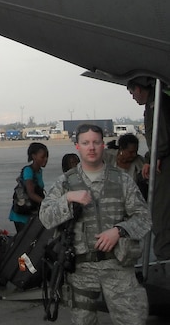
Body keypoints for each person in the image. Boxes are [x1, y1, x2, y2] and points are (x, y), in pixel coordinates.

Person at [39, 123, 151, 324]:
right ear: (77, 147)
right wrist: (68, 198)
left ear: (103, 146)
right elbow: (45, 217)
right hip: (82, 269)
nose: (91, 147)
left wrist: (119, 231)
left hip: (117, 265)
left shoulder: (122, 181)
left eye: (96, 142)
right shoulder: (65, 183)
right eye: (85, 142)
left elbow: (144, 217)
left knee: (132, 319)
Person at [127, 76, 170, 259]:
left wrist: (155, 157)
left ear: (139, 89)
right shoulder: (154, 103)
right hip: (161, 158)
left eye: (132, 93)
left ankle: (165, 259)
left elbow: (162, 136)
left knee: (161, 215)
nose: (133, 97)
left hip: (164, 164)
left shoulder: (157, 104)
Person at [8, 141, 48, 232]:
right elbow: (31, 193)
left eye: (46, 156)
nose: (45, 159)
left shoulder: (39, 171)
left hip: (31, 212)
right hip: (22, 214)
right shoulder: (28, 170)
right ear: (34, 156)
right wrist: (47, 203)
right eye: (42, 157)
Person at [104, 133, 147, 199]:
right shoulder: (107, 156)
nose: (134, 155)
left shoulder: (139, 161)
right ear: (121, 149)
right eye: (131, 152)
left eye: (136, 152)